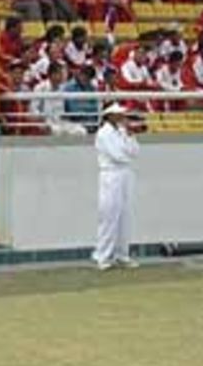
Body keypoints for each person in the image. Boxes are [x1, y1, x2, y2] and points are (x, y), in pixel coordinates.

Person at [92, 103, 139, 271]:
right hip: (110, 174)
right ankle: (102, 256)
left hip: (125, 174)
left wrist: (130, 136)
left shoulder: (122, 132)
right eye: (118, 114)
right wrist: (127, 153)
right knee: (108, 215)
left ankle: (122, 255)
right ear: (109, 115)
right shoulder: (103, 133)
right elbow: (117, 155)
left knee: (125, 215)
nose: (121, 117)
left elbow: (135, 152)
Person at [32, 62, 87, 136]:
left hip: (60, 122)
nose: (62, 76)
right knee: (56, 132)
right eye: (60, 74)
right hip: (46, 122)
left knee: (81, 131)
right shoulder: (40, 88)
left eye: (62, 74)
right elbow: (34, 109)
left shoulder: (63, 88)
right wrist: (42, 119)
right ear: (51, 74)